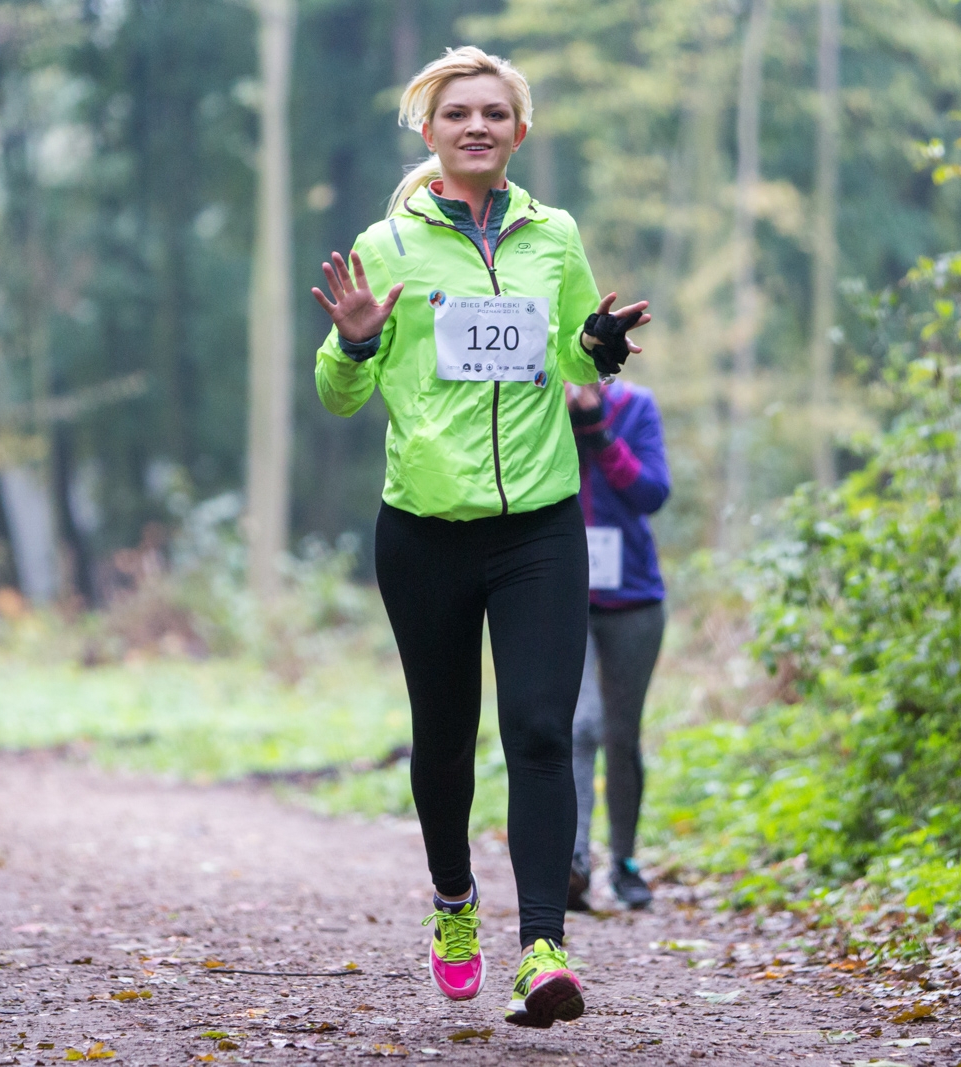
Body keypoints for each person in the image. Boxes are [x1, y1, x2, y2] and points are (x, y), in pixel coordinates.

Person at [311, 46, 649, 1029]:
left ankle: (543, 947)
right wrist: (357, 338)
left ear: (519, 131)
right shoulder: (387, 244)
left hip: (540, 521)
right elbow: (338, 395)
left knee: (542, 728)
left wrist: (599, 347)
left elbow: (573, 355)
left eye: (494, 113)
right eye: (457, 113)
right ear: (429, 131)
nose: (476, 126)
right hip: (425, 528)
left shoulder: (555, 235)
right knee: (446, 736)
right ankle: (454, 901)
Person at [563, 381, 670, 912]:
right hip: (563, 596)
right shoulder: (542, 400)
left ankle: (624, 863)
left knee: (622, 735)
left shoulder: (636, 407)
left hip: (633, 598)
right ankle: (573, 863)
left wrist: (598, 429)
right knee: (580, 724)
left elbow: (651, 493)